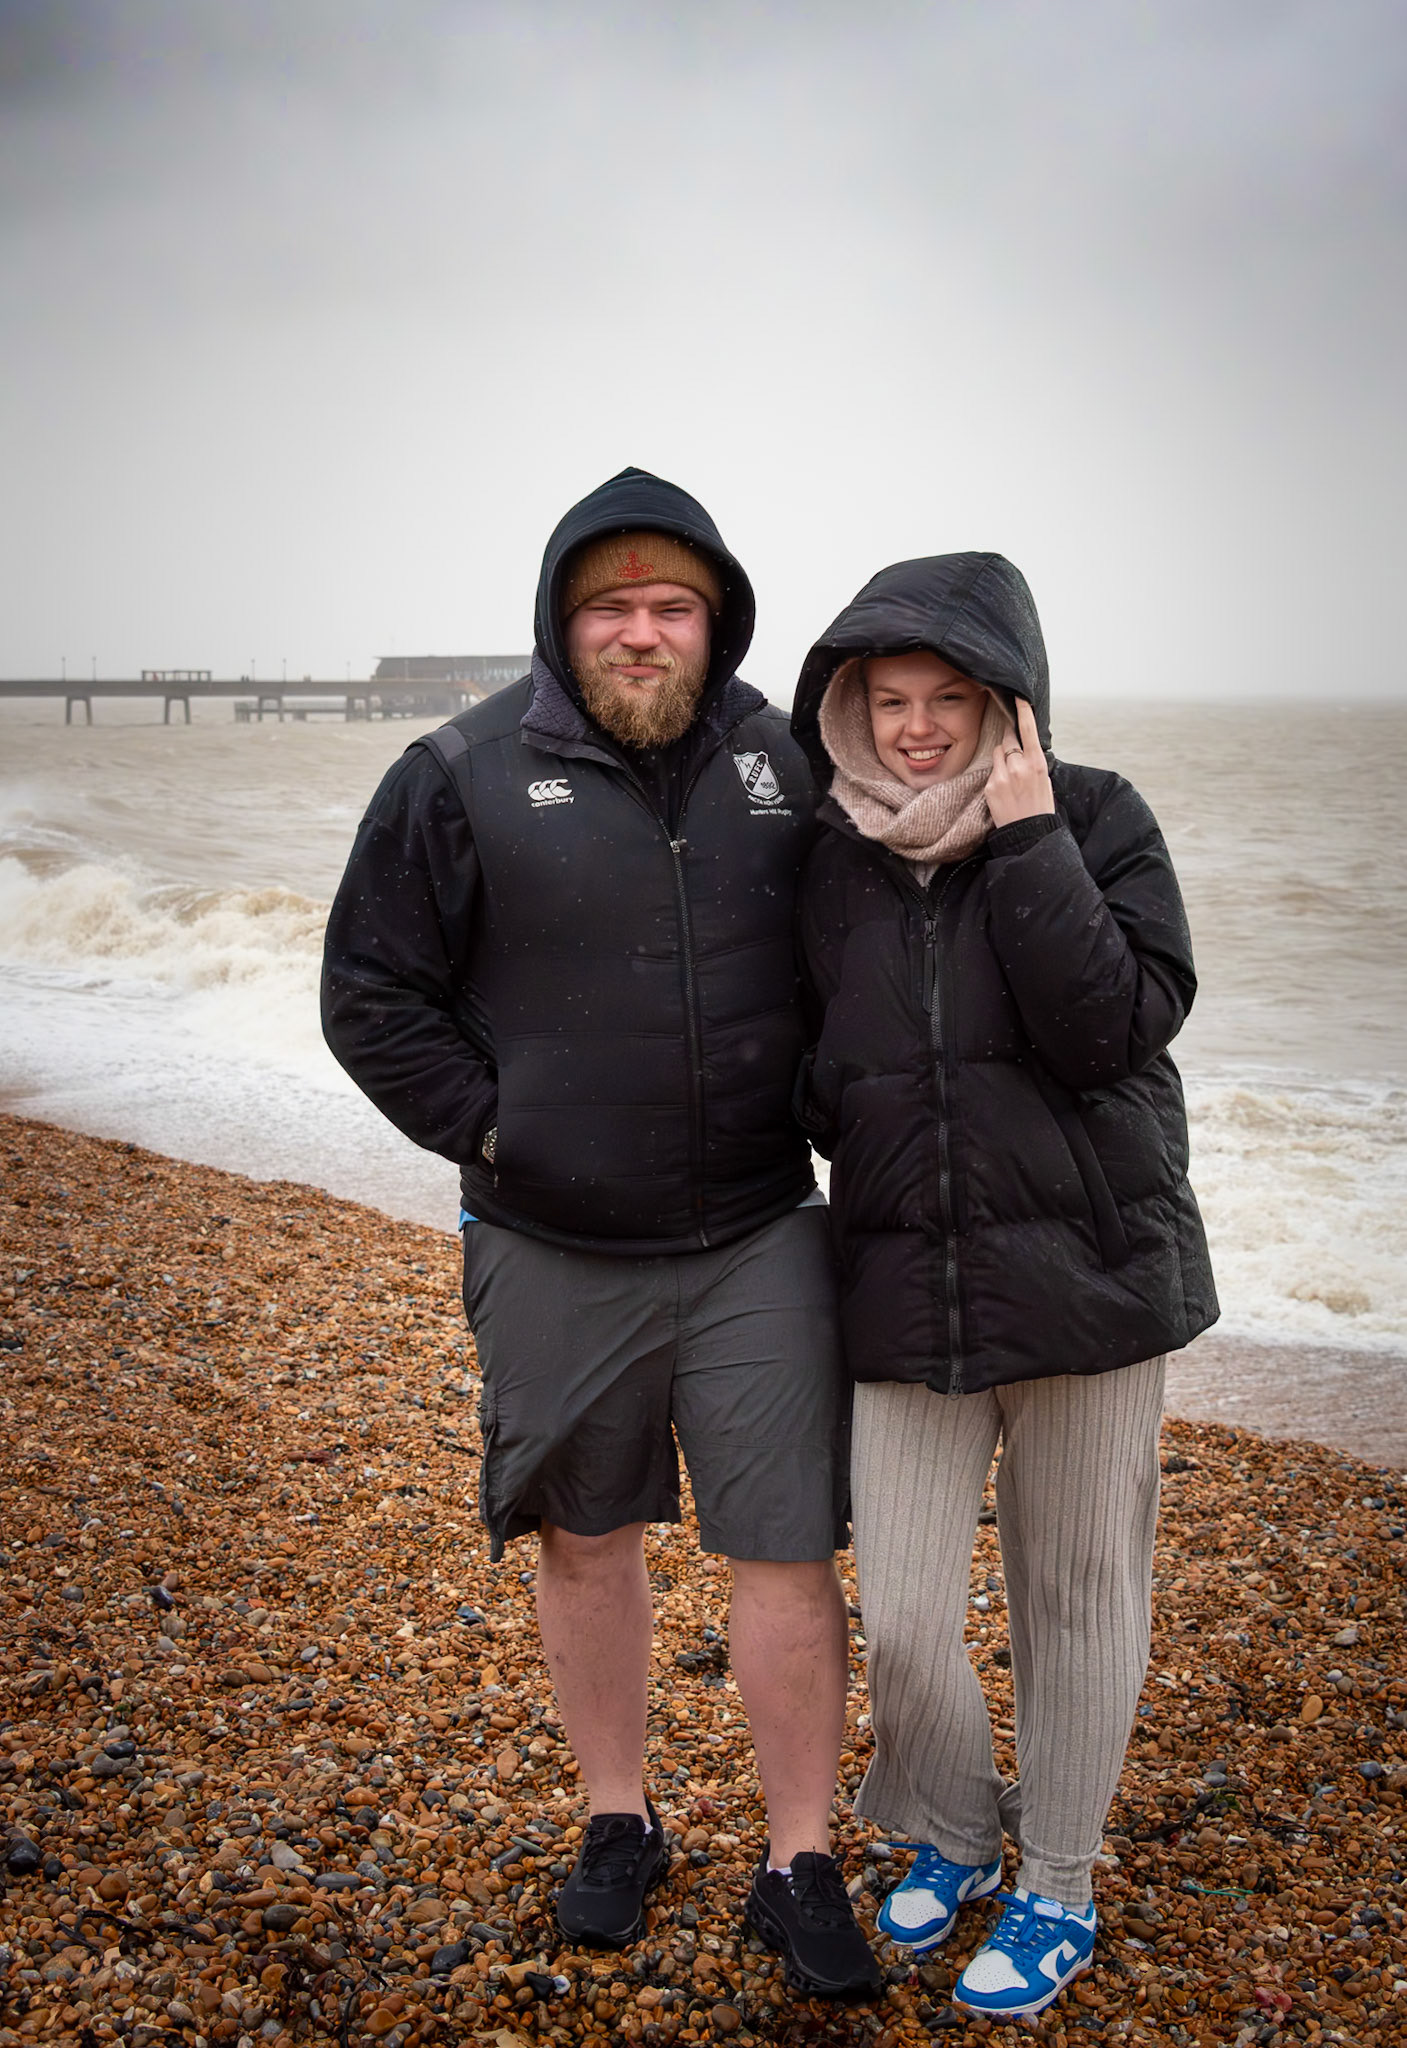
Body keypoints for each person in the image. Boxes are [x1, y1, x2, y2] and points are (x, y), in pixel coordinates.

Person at [321, 468, 879, 1996]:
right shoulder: (460, 771)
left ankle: (800, 1854)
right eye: (612, 608)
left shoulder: (785, 762)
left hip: (764, 1228)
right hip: (551, 1239)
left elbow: (879, 949)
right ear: (566, 620)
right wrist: (504, 1129)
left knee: (784, 1544)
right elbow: (369, 994)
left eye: (672, 607)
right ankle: (619, 1819)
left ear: (717, 622)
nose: (643, 632)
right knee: (587, 1536)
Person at [789, 552, 1218, 2023]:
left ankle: (1059, 1880)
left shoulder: (1098, 817)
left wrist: (1027, 838)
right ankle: (958, 1827)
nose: (916, 728)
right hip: (906, 1277)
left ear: (1009, 700)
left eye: (950, 697)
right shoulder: (831, 856)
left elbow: (1115, 1026)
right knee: (904, 1600)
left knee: (1079, 1589)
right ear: (850, 710)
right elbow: (804, 1059)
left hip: (1095, 1269)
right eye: (890, 700)